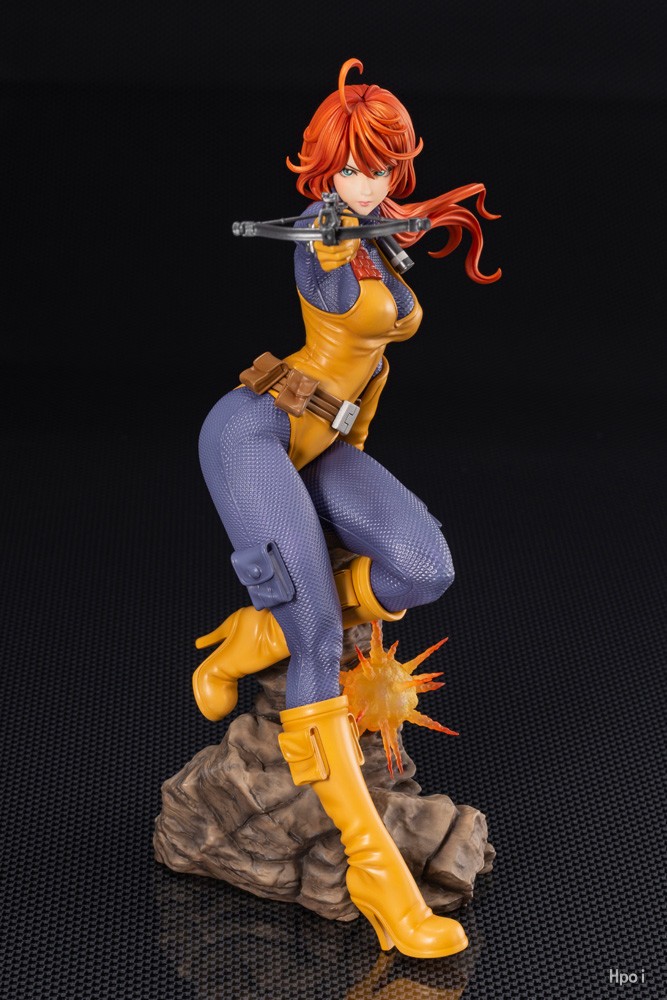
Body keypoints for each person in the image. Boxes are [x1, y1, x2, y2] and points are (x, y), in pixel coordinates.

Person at [193, 58, 500, 959]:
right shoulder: (322, 245)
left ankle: (258, 631)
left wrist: (391, 225)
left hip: (325, 439)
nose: (366, 184)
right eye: (352, 170)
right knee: (321, 638)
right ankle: (377, 874)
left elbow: (376, 355)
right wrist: (332, 234)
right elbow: (329, 284)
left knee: (422, 566)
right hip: (254, 433)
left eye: (382, 168)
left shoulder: (375, 234)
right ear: (324, 171)